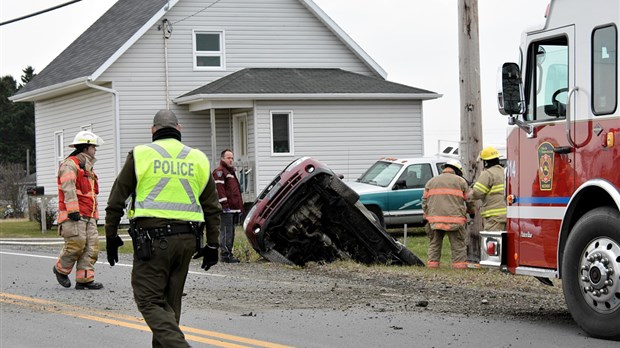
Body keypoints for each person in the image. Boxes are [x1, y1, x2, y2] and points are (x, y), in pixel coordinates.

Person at [105, 109, 221, 347]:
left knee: (148, 300)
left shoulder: (141, 154)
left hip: (153, 240)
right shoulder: (198, 158)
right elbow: (212, 207)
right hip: (188, 241)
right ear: (179, 129)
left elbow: (117, 199)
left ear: (153, 131)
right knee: (170, 304)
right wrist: (213, 244)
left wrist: (110, 234)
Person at [53, 130, 104, 290]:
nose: (95, 150)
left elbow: (91, 194)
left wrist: (94, 215)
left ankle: (85, 279)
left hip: (88, 215)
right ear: (85, 147)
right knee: (76, 244)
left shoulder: (88, 168)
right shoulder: (70, 164)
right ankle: (60, 269)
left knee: (92, 246)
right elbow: (69, 188)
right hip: (74, 215)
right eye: (93, 147)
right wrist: (73, 210)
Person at [422, 159, 475, 269]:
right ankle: (459, 267)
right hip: (455, 220)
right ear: (457, 170)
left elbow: (424, 202)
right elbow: (469, 200)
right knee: (458, 245)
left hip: (434, 220)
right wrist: (471, 212)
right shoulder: (461, 181)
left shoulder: (431, 181)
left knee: (434, 244)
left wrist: (427, 216)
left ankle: (432, 266)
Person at [212, 148, 244, 263]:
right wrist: (224, 205)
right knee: (226, 231)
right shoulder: (219, 172)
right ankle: (225, 255)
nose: (231, 160)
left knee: (231, 231)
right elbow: (219, 190)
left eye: (232, 158)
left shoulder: (230, 172)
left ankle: (229, 253)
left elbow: (235, 191)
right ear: (222, 159)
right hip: (226, 209)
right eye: (228, 158)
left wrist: (239, 207)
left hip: (233, 208)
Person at [470, 146, 507, 231]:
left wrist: (469, 195)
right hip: (507, 215)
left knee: (492, 241)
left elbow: (477, 193)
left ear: (485, 162)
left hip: (494, 217)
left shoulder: (488, 174)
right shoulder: (505, 171)